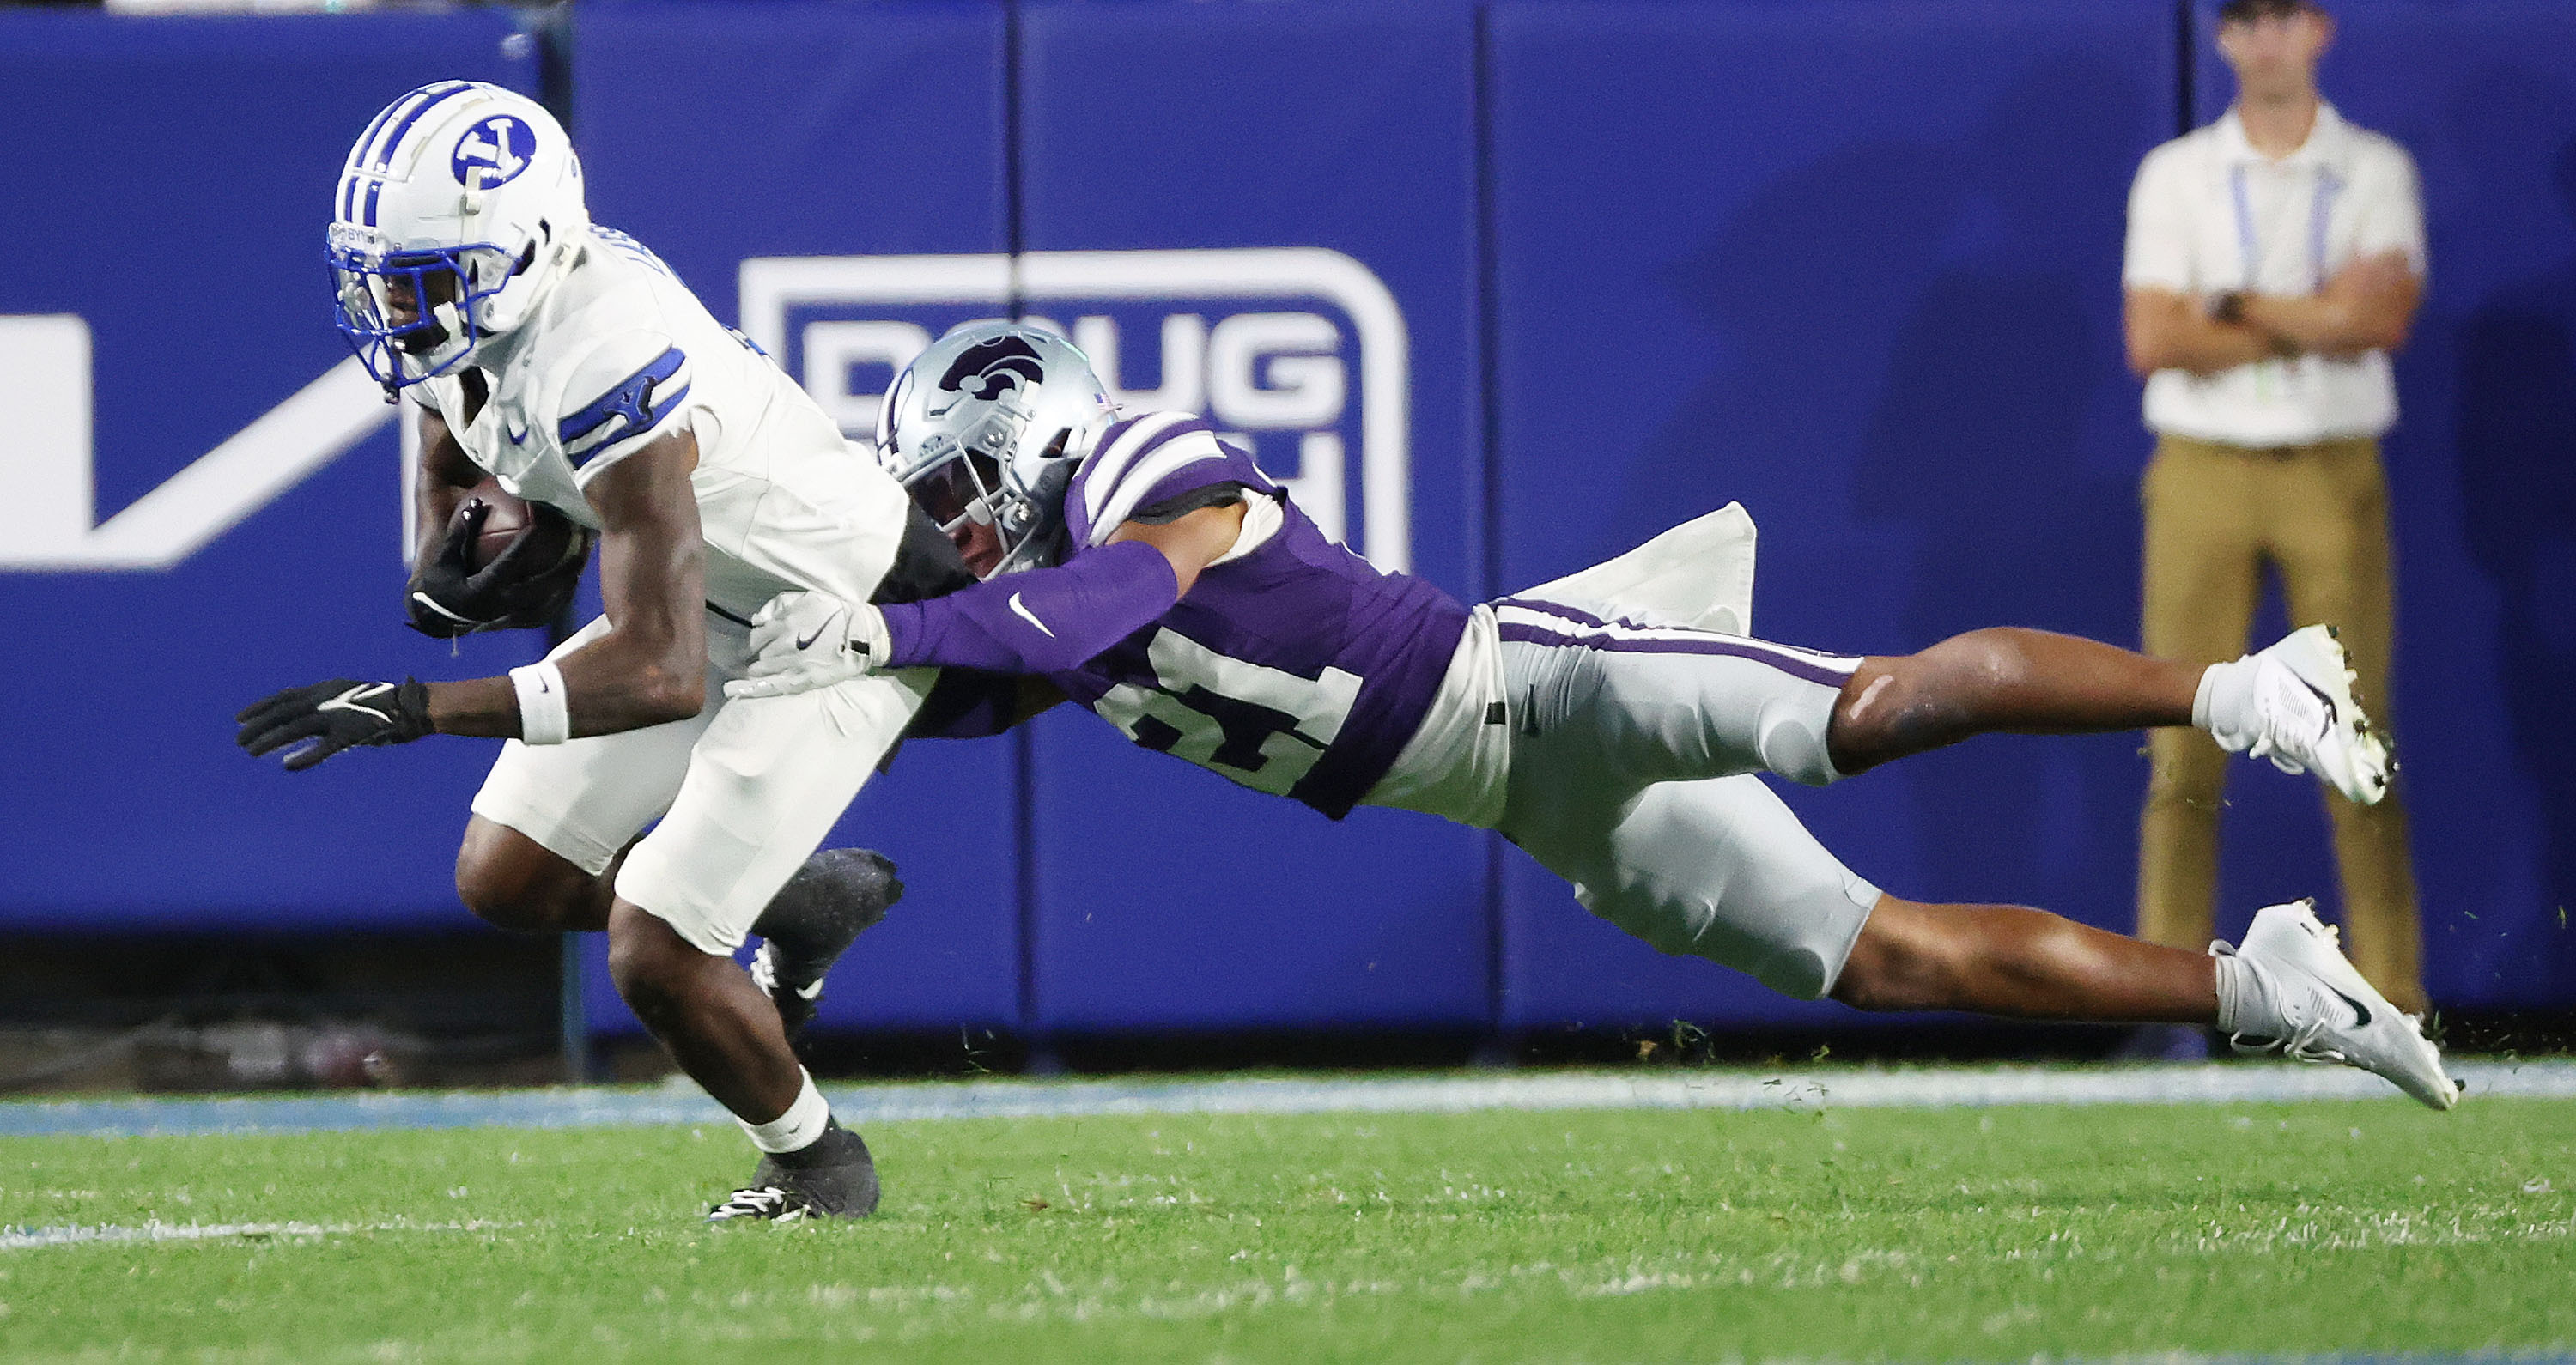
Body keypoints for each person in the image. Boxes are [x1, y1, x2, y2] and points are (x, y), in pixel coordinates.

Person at [732, 321, 2458, 1111]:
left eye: (959, 483)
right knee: (1888, 963)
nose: (951, 521)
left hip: (1550, 675)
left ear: (1034, 434)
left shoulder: (1129, 474)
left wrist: (912, 621)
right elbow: (960, 681)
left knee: (1869, 711)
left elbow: (1129, 585)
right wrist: (814, 680)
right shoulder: (1038, 605)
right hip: (1529, 804)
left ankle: (2248, 683)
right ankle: (2268, 987)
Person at [233, 82, 973, 1222]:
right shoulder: (473, 318)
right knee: (508, 876)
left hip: (837, 618)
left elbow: (659, 670)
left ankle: (818, 1164)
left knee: (656, 949)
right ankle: (792, 902)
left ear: (522, 253)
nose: (392, 306)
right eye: (380, 277)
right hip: (711, 597)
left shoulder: (604, 352)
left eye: (419, 280)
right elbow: (449, 428)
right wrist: (443, 565)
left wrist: (420, 704)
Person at [2121, 0, 2428, 1044]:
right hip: (2201, 473)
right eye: (2244, 21)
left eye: (2282, 17)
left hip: (2329, 470)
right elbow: (2154, 337)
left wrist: (2238, 306)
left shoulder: (2373, 168)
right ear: (2223, 43)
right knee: (2182, 741)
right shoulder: (2179, 175)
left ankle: (2393, 1003)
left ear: (2319, 31)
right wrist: (2312, 317)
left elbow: (2380, 319)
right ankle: (2169, 1010)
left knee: (2355, 739)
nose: (2265, 41)